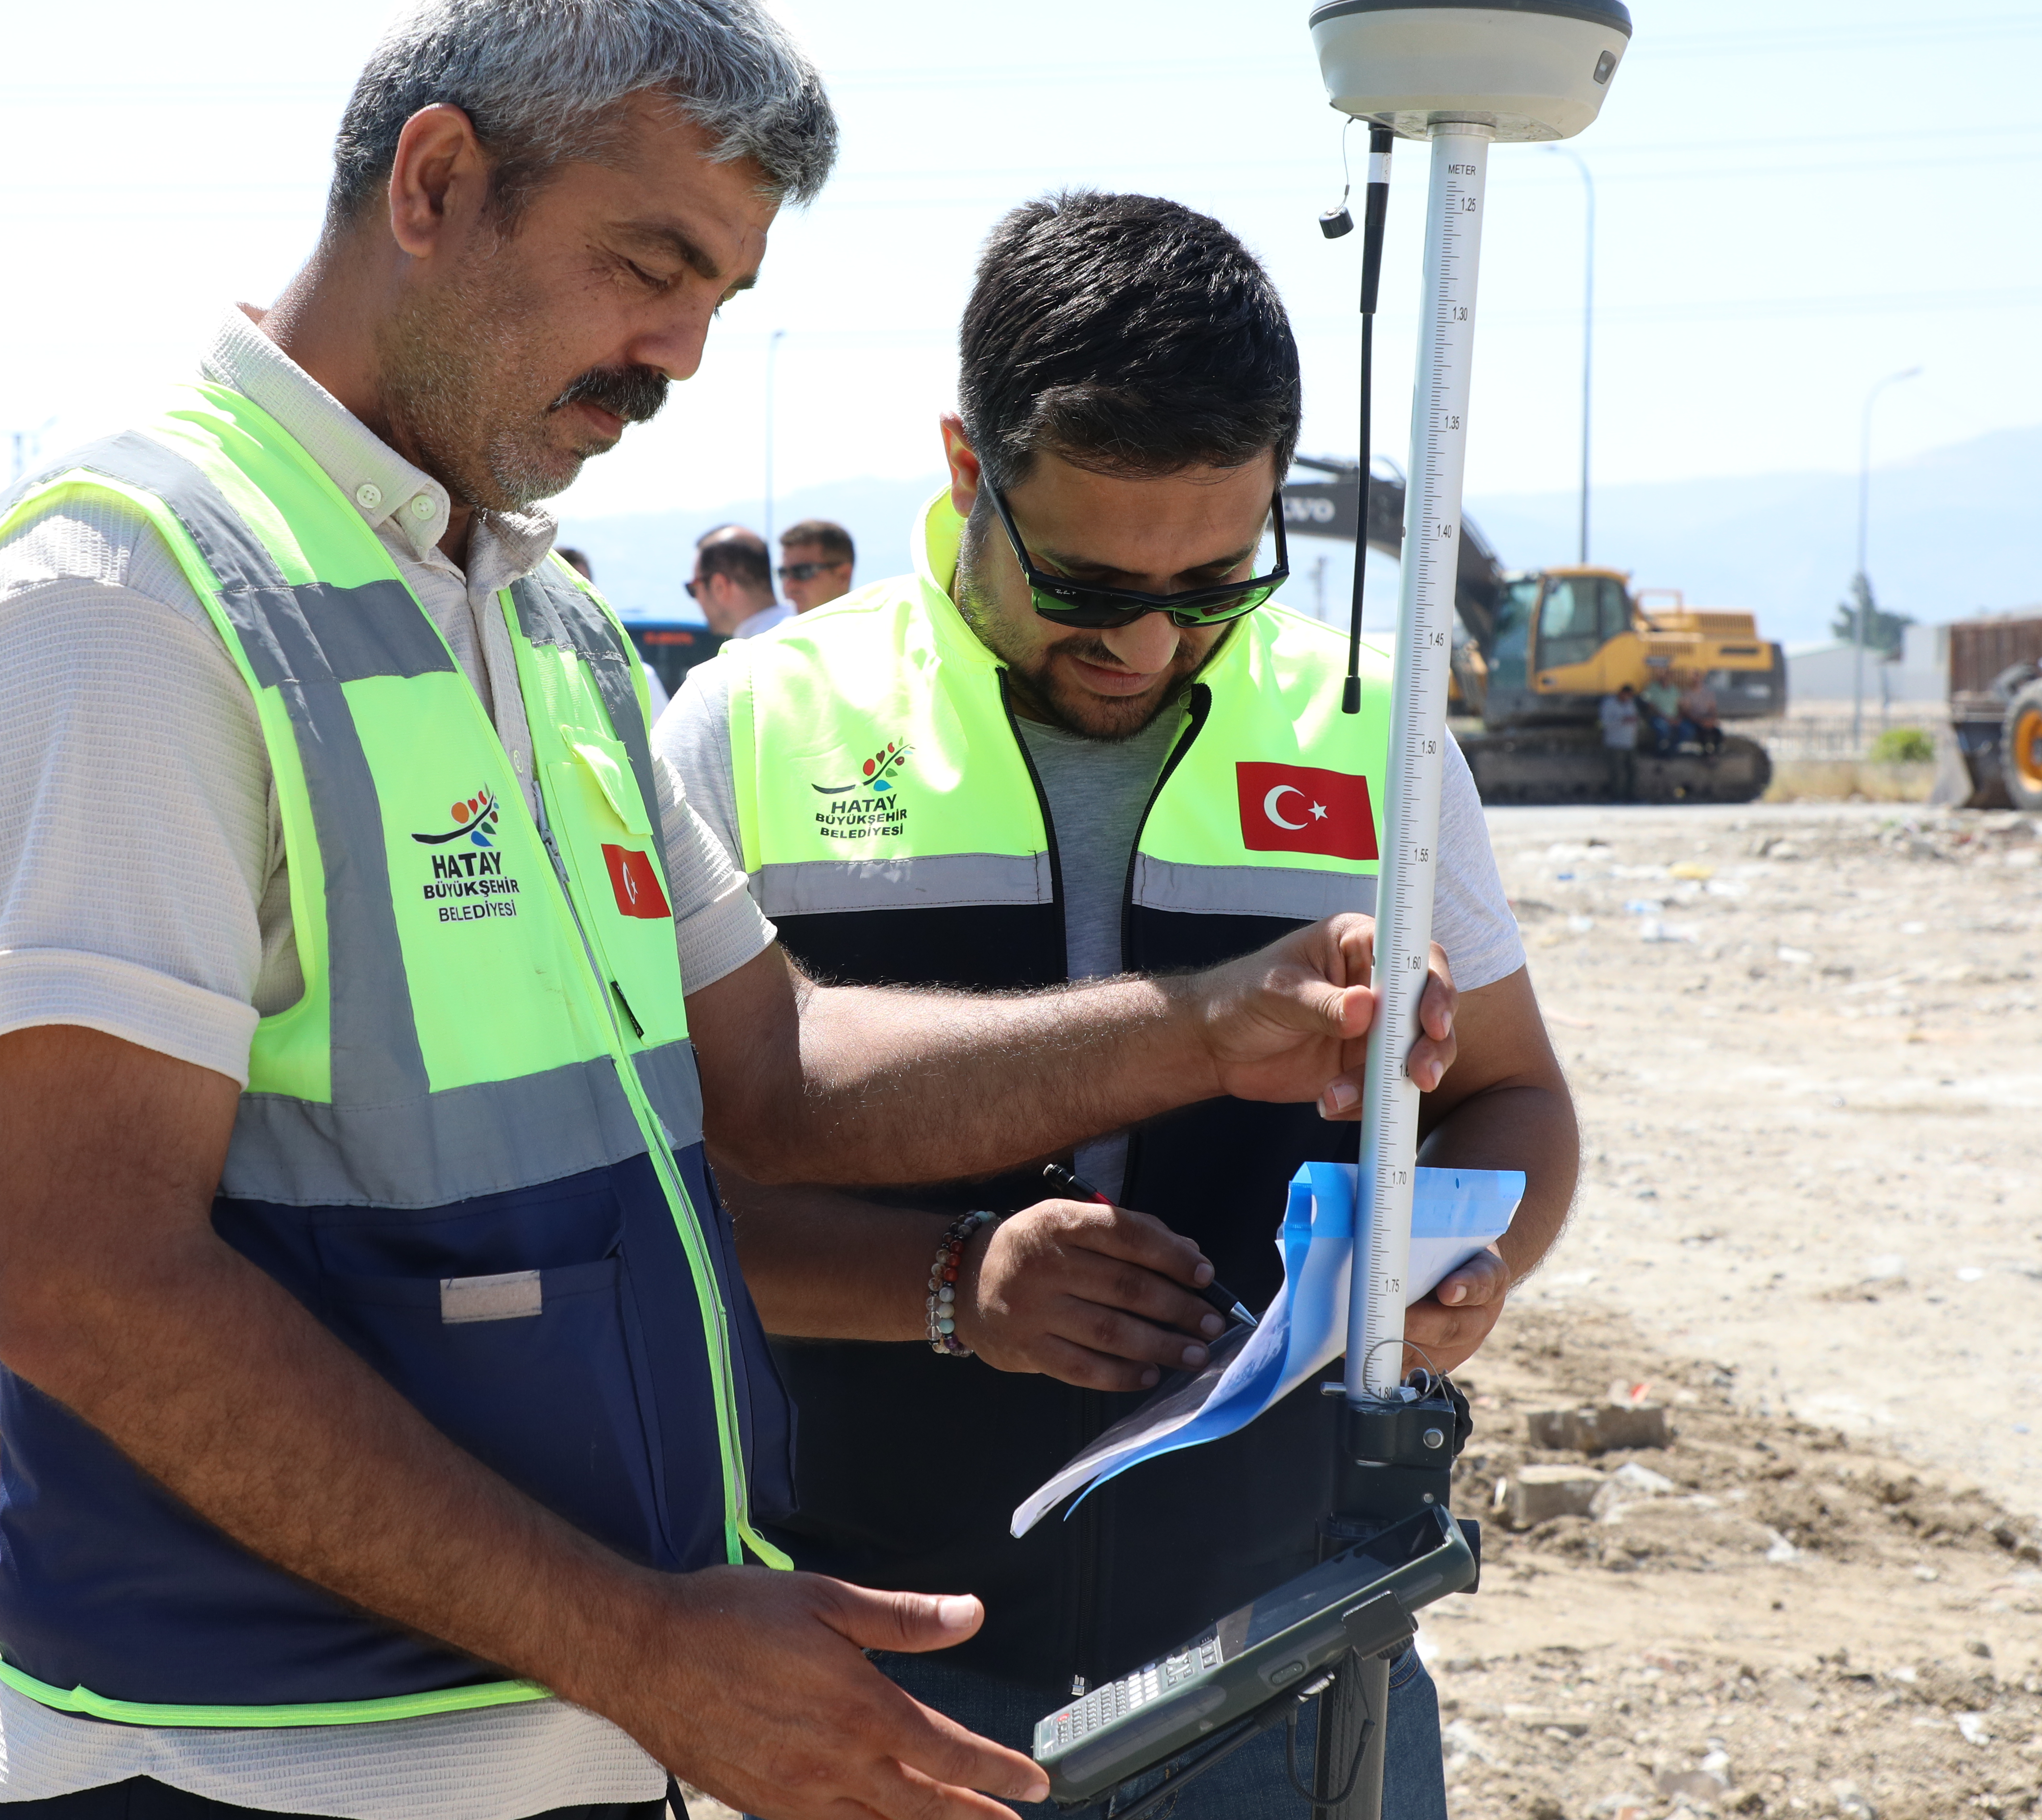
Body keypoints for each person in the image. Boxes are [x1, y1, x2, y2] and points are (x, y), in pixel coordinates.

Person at [0, 0, 1440, 1820]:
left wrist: (1212, 1027)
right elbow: (96, 1283)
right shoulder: (122, 608)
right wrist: (643, 1643)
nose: (681, 352)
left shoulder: (548, 631)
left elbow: (772, 1077)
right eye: (650, 264)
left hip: (588, 1753)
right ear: (437, 182)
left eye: (724, 294)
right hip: (247, 1775)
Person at [656, 193, 1579, 1820]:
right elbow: (644, 1201)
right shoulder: (752, 726)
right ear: (966, 471)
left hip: (1287, 1655)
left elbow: (1517, 1102)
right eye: (1085, 583)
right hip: (864, 1657)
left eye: (1215, 579)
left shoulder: (1369, 729)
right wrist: (943, 1285)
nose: (1144, 642)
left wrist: (1458, 1268)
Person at [688, 523, 792, 637]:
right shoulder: (808, 631)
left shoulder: (749, 652)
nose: (697, 600)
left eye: (693, 589)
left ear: (720, 586)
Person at [777, 517, 855, 613]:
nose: (789, 585)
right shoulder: (776, 627)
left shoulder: (872, 626)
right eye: (783, 573)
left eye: (802, 572)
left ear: (843, 576)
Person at [1600, 682, 1643, 800]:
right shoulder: (1609, 704)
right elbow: (1605, 723)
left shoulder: (1630, 704)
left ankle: (1631, 795)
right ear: (1621, 693)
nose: (1628, 698)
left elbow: (1636, 720)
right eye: (1626, 695)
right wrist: (1622, 721)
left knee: (1633, 771)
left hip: (1630, 743)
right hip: (1614, 743)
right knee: (1617, 772)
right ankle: (1617, 797)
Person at [1639, 663, 1684, 755]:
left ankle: (1672, 750)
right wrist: (1664, 717)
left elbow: (1680, 706)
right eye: (1664, 675)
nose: (1666, 678)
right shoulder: (1652, 687)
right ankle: (1659, 752)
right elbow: (1649, 705)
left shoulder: (1675, 690)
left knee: (1687, 730)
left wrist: (1679, 719)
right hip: (1657, 717)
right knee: (1663, 728)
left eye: (1668, 676)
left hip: (1673, 718)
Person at [1679, 666, 1722, 756]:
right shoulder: (1687, 693)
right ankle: (1706, 756)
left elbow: (1713, 709)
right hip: (1695, 721)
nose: (1696, 679)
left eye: (1698, 676)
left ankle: (1715, 755)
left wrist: (1712, 720)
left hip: (1707, 720)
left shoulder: (1708, 693)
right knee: (1703, 735)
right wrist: (1700, 721)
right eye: (1694, 676)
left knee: (1718, 734)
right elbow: (1686, 713)